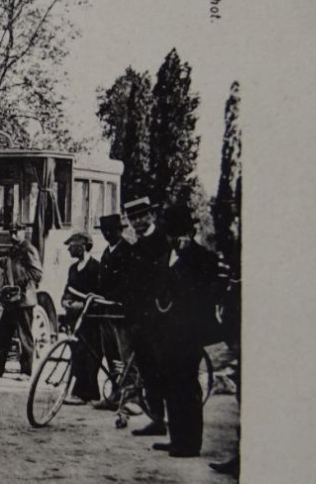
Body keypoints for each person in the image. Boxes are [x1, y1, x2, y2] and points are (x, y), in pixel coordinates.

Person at [144, 205, 220, 458]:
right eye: (171, 235)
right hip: (166, 334)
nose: (175, 239)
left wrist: (186, 260)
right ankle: (176, 436)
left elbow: (203, 296)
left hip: (190, 333)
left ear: (190, 231)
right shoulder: (166, 257)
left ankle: (190, 443)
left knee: (186, 386)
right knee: (170, 385)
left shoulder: (204, 259)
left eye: (180, 234)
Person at [123, 196, 171, 437]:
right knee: (148, 369)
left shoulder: (163, 242)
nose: (138, 221)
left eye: (142, 216)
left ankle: (169, 419)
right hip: (138, 320)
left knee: (163, 368)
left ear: (151, 216)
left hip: (158, 319)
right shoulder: (136, 246)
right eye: (133, 218)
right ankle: (157, 418)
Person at [0, 215, 43, 378]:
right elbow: (5, 262)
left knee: (24, 337)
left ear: (24, 232)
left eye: (16, 232)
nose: (13, 236)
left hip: (24, 300)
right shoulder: (13, 249)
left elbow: (37, 273)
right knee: (1, 335)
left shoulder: (28, 249)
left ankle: (26, 372)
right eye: (11, 232)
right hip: (12, 301)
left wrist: (18, 283)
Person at [90, 213, 137, 410]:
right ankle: (115, 394)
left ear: (120, 231)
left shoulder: (128, 251)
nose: (108, 234)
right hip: (106, 311)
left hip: (121, 312)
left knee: (126, 355)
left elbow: (129, 283)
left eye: (112, 231)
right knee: (111, 355)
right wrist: (97, 296)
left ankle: (132, 399)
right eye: (104, 231)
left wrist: (113, 298)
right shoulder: (107, 253)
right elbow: (102, 281)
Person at [60, 231, 102, 402]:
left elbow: (98, 293)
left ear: (82, 247)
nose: (69, 249)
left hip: (90, 319)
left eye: (72, 245)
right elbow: (67, 289)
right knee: (76, 353)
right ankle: (85, 391)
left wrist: (83, 305)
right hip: (73, 318)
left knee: (89, 354)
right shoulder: (72, 269)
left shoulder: (95, 267)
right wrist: (65, 302)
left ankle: (85, 393)